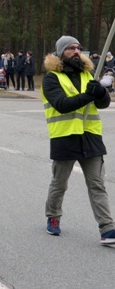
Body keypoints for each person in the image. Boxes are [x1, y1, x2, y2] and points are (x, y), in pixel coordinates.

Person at [41, 35, 115, 245]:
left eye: (78, 48)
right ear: (60, 53)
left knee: (97, 184)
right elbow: (61, 104)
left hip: (90, 137)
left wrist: (100, 92)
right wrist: (89, 95)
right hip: (65, 137)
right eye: (70, 49)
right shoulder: (52, 78)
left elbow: (102, 104)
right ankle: (53, 217)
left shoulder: (88, 74)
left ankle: (107, 228)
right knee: (59, 183)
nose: (76, 52)